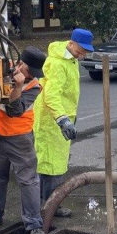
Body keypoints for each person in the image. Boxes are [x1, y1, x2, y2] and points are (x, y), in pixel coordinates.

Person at [0, 47, 47, 234]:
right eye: (28, 71)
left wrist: (16, 87)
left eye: (33, 74)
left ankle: (34, 224)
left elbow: (15, 111)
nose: (29, 77)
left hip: (19, 139)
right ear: (19, 63)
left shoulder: (33, 86)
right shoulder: (1, 69)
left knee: (27, 180)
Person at [34, 28, 94, 217]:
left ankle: (45, 204)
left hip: (57, 118)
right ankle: (51, 206)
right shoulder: (58, 63)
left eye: (85, 51)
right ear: (71, 43)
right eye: (80, 50)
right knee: (52, 165)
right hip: (52, 120)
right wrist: (62, 120)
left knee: (52, 163)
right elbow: (51, 95)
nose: (82, 54)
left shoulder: (70, 58)